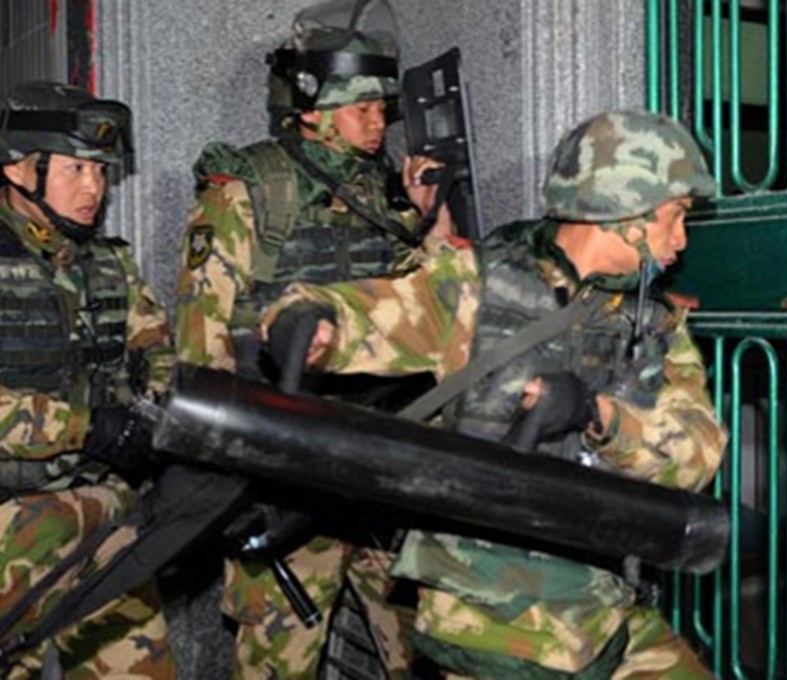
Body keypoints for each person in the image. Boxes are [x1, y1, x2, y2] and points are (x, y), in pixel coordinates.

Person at [260, 109, 728, 679]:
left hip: (601, 607)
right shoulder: (475, 285)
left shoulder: (654, 323)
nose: (681, 241)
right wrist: (305, 320)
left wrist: (598, 414)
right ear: (623, 206)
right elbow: (365, 315)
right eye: (675, 217)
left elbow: (698, 455)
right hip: (490, 615)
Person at [174, 2, 452, 677]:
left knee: (426, 653)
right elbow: (202, 344)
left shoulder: (383, 194)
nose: (378, 119)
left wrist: (429, 226)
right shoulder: (249, 188)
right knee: (279, 662)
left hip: (382, 467)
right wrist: (235, 472)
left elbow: (423, 320)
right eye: (360, 105)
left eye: (382, 106)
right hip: (288, 477)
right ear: (311, 104)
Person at [0, 81, 176, 678]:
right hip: (10, 527)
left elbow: (159, 358)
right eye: (75, 169)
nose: (94, 189)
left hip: (105, 519)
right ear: (19, 170)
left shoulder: (110, 264)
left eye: (101, 171)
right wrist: (85, 426)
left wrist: (159, 419)